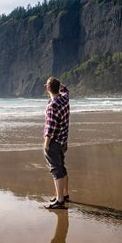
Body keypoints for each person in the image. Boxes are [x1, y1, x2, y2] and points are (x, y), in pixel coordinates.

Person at [43, 77, 70, 209]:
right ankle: (64, 194)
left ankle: (60, 200)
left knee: (56, 170)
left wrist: (46, 144)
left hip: (55, 142)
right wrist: (58, 84)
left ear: (48, 88)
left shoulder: (52, 106)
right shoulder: (64, 99)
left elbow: (50, 128)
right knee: (62, 167)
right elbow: (66, 90)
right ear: (58, 87)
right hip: (63, 141)